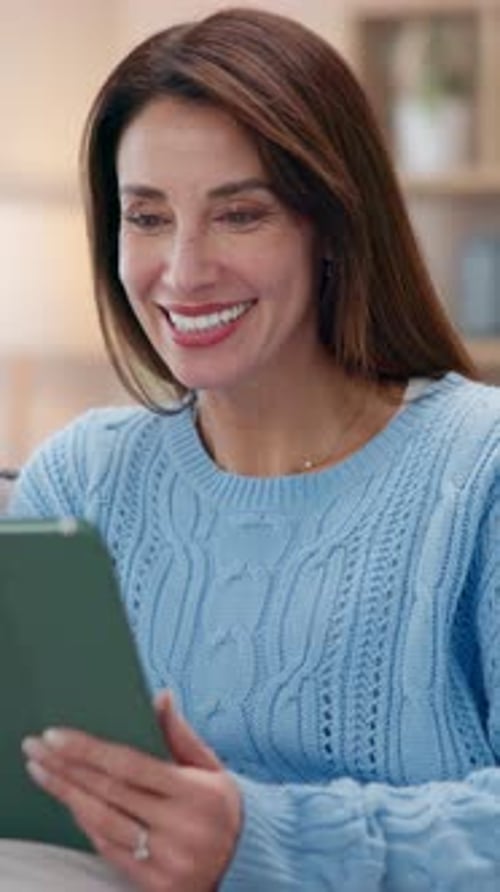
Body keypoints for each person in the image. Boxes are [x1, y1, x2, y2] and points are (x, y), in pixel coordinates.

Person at [4, 6, 500, 890]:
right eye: (147, 216)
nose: (184, 270)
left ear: (333, 227)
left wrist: (262, 838)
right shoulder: (78, 480)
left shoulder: (480, 470)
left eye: (239, 214)